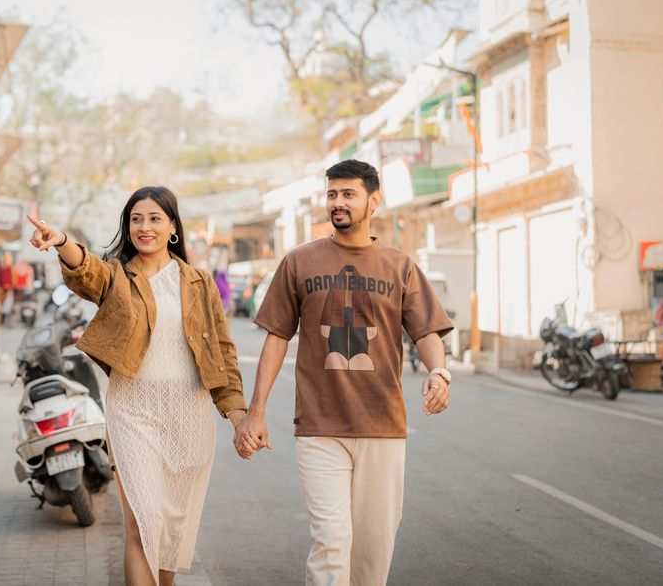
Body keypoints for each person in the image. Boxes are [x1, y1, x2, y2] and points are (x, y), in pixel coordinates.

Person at [237, 160, 453, 586]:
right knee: (331, 542)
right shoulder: (299, 262)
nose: (337, 202)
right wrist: (255, 411)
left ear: (374, 200)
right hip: (319, 427)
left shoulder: (399, 266)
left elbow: (426, 330)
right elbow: (277, 337)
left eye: (348, 194)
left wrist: (440, 372)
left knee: (374, 552)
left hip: (382, 425)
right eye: (332, 194)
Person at [27, 186, 249, 586]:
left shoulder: (198, 282)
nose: (144, 227)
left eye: (154, 218)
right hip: (133, 412)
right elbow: (87, 269)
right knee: (142, 523)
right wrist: (61, 241)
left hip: (190, 415)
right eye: (135, 219)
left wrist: (239, 415)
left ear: (173, 227)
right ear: (127, 228)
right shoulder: (117, 277)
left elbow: (223, 351)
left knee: (169, 529)